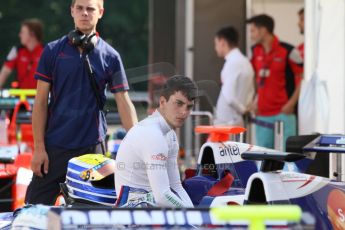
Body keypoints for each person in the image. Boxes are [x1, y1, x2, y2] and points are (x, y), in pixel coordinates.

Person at [25, 0, 138, 205]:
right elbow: (40, 102)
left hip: (92, 149)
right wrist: (39, 149)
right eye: (79, 8)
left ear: (101, 12)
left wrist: (140, 146)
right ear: (72, 11)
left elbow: (124, 102)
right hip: (53, 148)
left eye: (90, 9)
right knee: (34, 211)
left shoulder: (110, 56)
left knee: (91, 217)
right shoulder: (52, 51)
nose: (84, 13)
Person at [115, 75, 197, 208]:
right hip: (131, 214)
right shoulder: (153, 134)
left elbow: (176, 186)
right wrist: (193, 219)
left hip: (149, 205)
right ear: (163, 102)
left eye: (189, 107)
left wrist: (196, 219)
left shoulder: (170, 135)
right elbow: (162, 196)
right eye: (179, 103)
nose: (184, 112)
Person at [246, 14, 303, 149]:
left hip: (284, 113)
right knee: (264, 158)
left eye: (253, 30)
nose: (250, 35)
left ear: (264, 30)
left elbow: (302, 78)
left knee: (287, 156)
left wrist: (291, 103)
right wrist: (254, 100)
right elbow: (254, 77)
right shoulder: (255, 51)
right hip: (262, 114)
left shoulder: (289, 50)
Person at [213, 26, 254, 126]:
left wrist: (243, 111)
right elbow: (251, 91)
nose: (215, 48)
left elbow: (229, 96)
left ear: (222, 42)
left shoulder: (232, 63)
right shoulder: (245, 62)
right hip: (237, 119)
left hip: (227, 121)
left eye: (216, 44)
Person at [0, 18, 44, 89]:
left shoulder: (46, 51)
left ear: (32, 34)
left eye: (22, 32)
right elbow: (5, 71)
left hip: (40, 98)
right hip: (20, 97)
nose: (19, 35)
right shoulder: (17, 50)